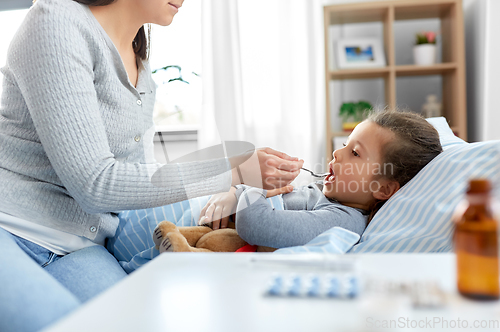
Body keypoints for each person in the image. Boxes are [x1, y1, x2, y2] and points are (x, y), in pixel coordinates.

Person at [0, 0, 303, 331]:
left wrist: (232, 190)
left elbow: (140, 181)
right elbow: (96, 184)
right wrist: (231, 171)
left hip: (82, 247)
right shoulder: (56, 22)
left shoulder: (141, 72)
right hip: (12, 230)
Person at [197, 110, 443, 249]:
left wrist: (253, 186)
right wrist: (230, 189)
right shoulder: (321, 191)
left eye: (355, 153)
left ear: (383, 188)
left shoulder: (342, 222)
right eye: (345, 145)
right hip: (205, 211)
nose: (337, 153)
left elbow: (256, 224)